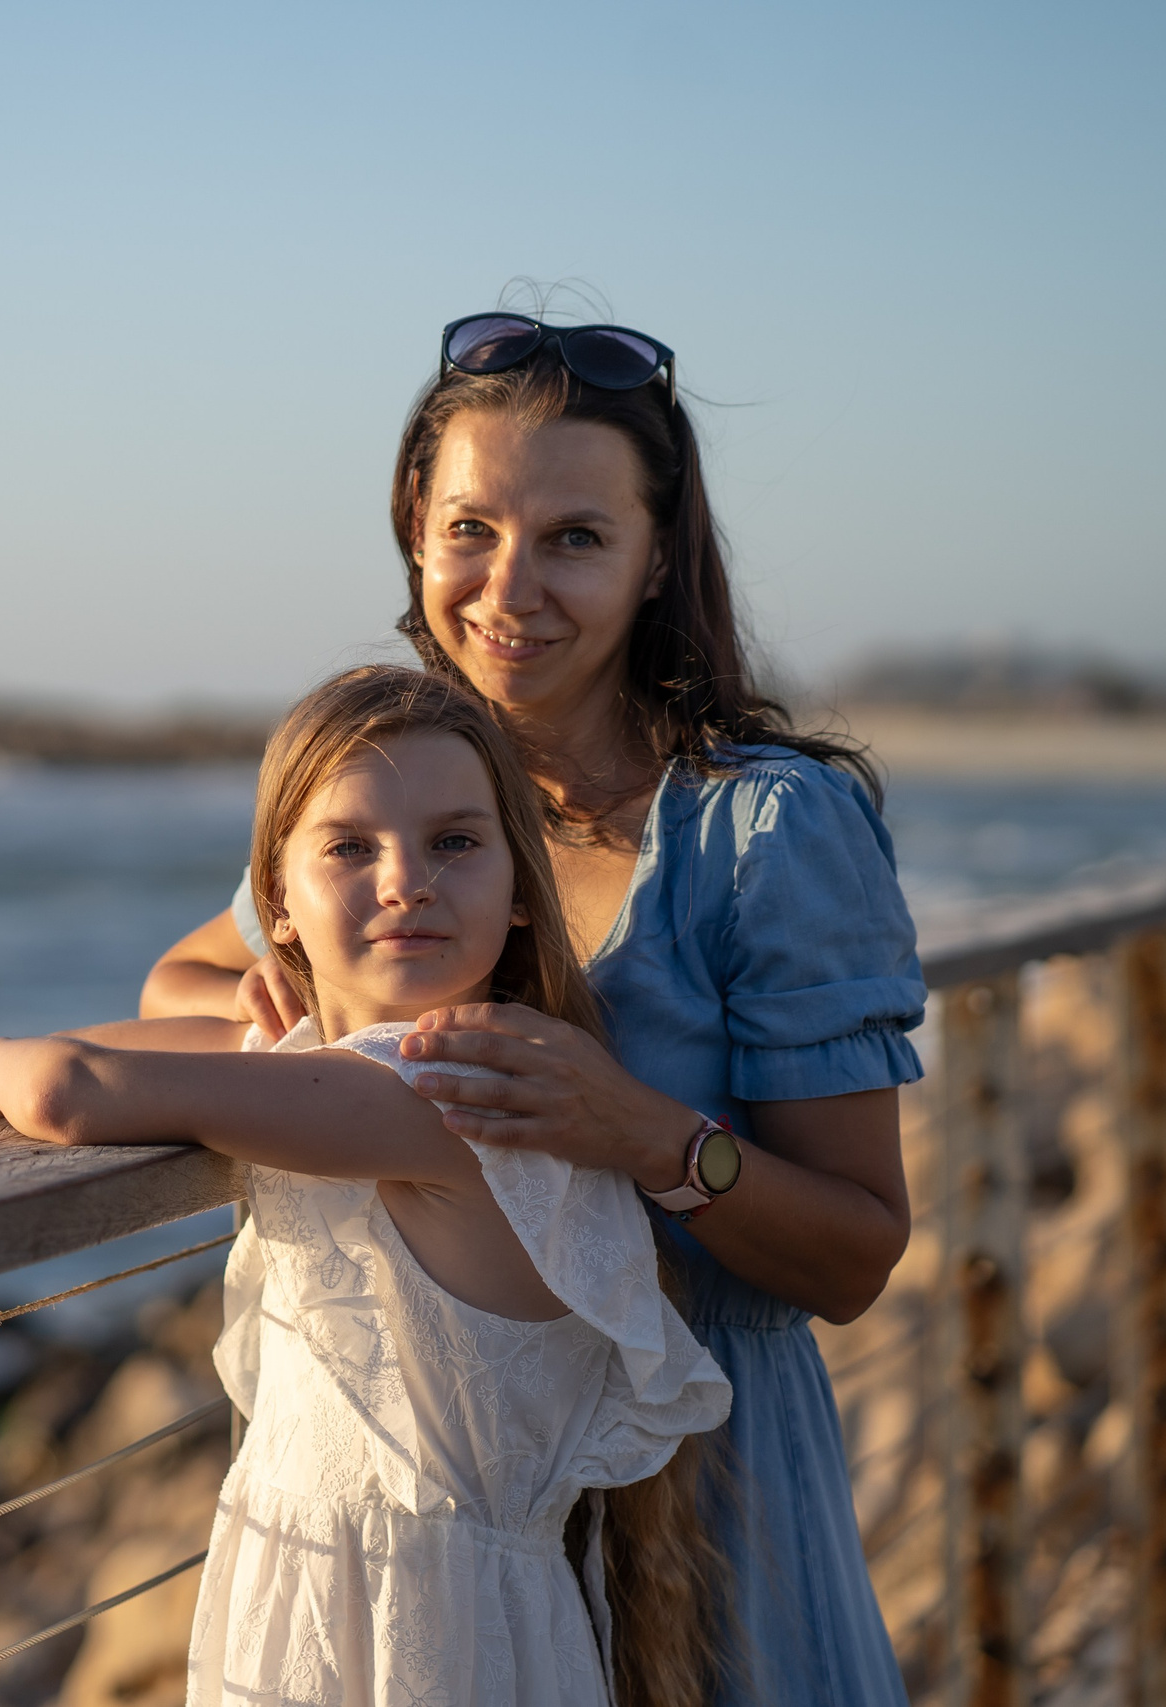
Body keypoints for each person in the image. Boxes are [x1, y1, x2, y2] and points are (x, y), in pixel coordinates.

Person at [141, 315, 926, 1706]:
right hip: (440, 1529)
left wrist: (647, 1134)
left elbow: (856, 1253)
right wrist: (275, 988)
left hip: (707, 1499)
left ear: (656, 555)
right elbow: (183, 982)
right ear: (414, 534)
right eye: (470, 530)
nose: (511, 588)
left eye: (574, 535)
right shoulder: (413, 792)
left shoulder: (761, 828)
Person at [0, 668, 731, 1707]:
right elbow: (53, 1074)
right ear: (275, 907)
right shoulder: (298, 1066)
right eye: (350, 847)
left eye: (456, 842)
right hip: (309, 1590)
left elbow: (66, 1088)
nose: (406, 881)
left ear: (521, 891)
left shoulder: (456, 1092)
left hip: (428, 1641)